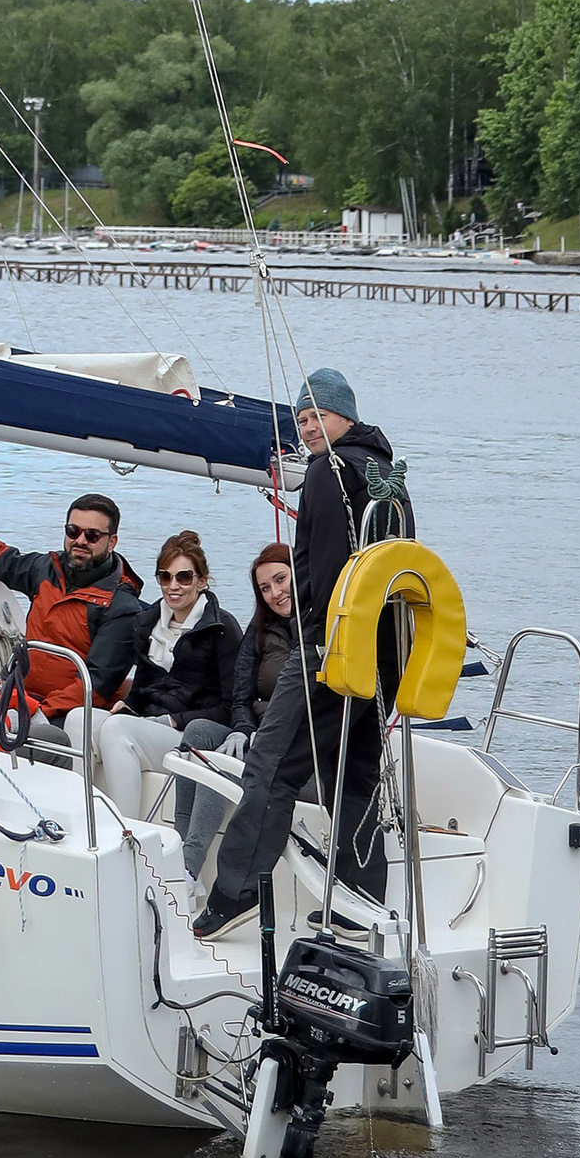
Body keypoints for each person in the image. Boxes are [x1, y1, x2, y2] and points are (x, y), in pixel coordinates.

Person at [195, 367, 396, 936]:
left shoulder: (327, 473)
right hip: (380, 652)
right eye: (302, 418)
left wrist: (315, 637)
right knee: (352, 771)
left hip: (329, 649)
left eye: (317, 416)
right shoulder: (383, 471)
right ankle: (361, 901)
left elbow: (329, 569)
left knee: (272, 766)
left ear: (344, 416)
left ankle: (236, 893)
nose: (308, 428)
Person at [94, 528, 243, 877]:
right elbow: (144, 686)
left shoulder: (222, 629)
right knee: (78, 720)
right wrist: (129, 705)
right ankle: (83, 826)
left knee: (116, 730)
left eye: (183, 577)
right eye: (165, 576)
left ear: (201, 581)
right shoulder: (148, 623)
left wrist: (175, 721)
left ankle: (127, 839)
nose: (173, 585)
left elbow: (230, 705)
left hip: (189, 735)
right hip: (150, 724)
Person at [0, 492, 145, 720]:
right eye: (73, 531)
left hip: (71, 714)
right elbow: (1, 559)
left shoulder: (122, 608)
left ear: (112, 542)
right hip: (23, 694)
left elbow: (97, 686)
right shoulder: (45, 569)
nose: (80, 541)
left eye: (92, 535)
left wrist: (38, 712)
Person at [231, 538, 300, 739]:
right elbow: (241, 700)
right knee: (199, 731)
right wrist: (244, 730)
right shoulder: (257, 632)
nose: (276, 593)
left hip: (307, 736)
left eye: (280, 579)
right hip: (261, 729)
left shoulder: (323, 627)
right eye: (265, 588)